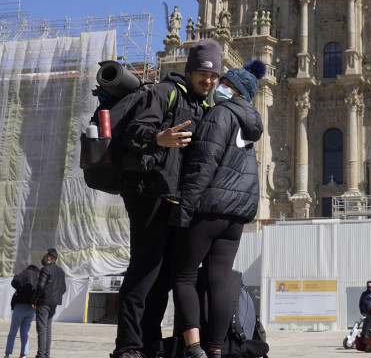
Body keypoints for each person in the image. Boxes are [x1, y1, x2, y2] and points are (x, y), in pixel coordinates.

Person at [112, 40, 220, 358]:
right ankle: (129, 347)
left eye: (214, 76)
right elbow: (134, 130)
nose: (209, 80)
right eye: (203, 73)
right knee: (145, 271)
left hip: (176, 201)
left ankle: (148, 344)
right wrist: (159, 138)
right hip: (149, 193)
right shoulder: (164, 93)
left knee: (163, 280)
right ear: (189, 71)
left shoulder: (203, 107)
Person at [170, 60, 265, 358]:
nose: (218, 87)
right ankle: (216, 349)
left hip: (210, 208)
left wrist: (184, 210)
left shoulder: (220, 113)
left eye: (225, 83)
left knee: (184, 276)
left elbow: (203, 165)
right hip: (237, 214)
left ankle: (194, 346)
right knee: (221, 279)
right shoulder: (250, 122)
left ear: (234, 89)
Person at [33, 248, 66, 358]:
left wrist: (34, 299)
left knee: (42, 329)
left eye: (44, 255)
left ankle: (41, 355)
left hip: (44, 302)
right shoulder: (61, 271)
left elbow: (40, 286)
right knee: (47, 329)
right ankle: (46, 354)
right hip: (54, 303)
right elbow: (64, 288)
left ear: (48, 258)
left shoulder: (45, 269)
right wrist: (55, 297)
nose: (43, 258)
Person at [4, 263, 39, 358]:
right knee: (24, 332)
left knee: (13, 332)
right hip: (31, 309)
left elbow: (14, 281)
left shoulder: (26, 273)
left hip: (20, 306)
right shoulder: (37, 277)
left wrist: (20, 288)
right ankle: (23, 354)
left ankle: (7, 354)